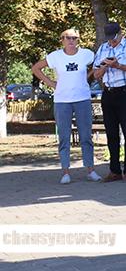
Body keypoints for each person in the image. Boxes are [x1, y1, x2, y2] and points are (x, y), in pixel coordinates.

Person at [31, 28, 102, 184]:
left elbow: (98, 64)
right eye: (68, 38)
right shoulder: (55, 56)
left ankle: (90, 170)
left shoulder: (87, 54)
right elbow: (36, 68)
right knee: (64, 137)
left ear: (78, 40)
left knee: (86, 136)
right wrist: (50, 83)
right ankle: (65, 172)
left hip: (82, 99)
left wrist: (88, 76)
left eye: (75, 38)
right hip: (62, 101)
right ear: (62, 39)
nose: (71, 41)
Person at [92, 21, 126, 183]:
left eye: (114, 39)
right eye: (109, 39)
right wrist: (105, 67)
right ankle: (114, 171)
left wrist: (118, 65)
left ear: (120, 33)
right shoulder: (103, 48)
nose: (111, 42)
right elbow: (96, 75)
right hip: (108, 93)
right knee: (111, 134)